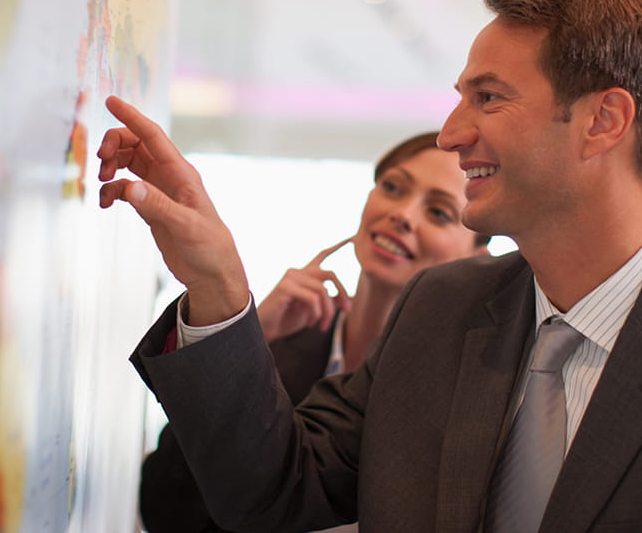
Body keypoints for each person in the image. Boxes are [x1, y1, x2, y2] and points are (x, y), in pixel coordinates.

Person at [99, 0, 642, 532]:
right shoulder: (442, 309)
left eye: (488, 98)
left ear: (603, 121)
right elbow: (270, 491)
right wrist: (219, 286)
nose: (454, 132)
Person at [138, 133, 491, 533]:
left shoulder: (465, 393)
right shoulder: (280, 346)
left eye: (439, 212)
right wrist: (249, 339)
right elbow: (164, 507)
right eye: (393, 188)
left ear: (478, 259)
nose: (404, 214)